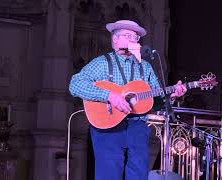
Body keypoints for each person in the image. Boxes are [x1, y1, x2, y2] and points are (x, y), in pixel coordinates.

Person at [69, 20, 187, 180]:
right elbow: (75, 84)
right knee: (109, 175)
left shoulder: (145, 67)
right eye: (128, 35)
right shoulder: (103, 63)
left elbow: (154, 100)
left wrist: (172, 94)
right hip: (108, 126)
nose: (133, 39)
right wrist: (109, 96)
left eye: (136, 37)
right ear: (115, 40)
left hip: (137, 127)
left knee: (138, 174)